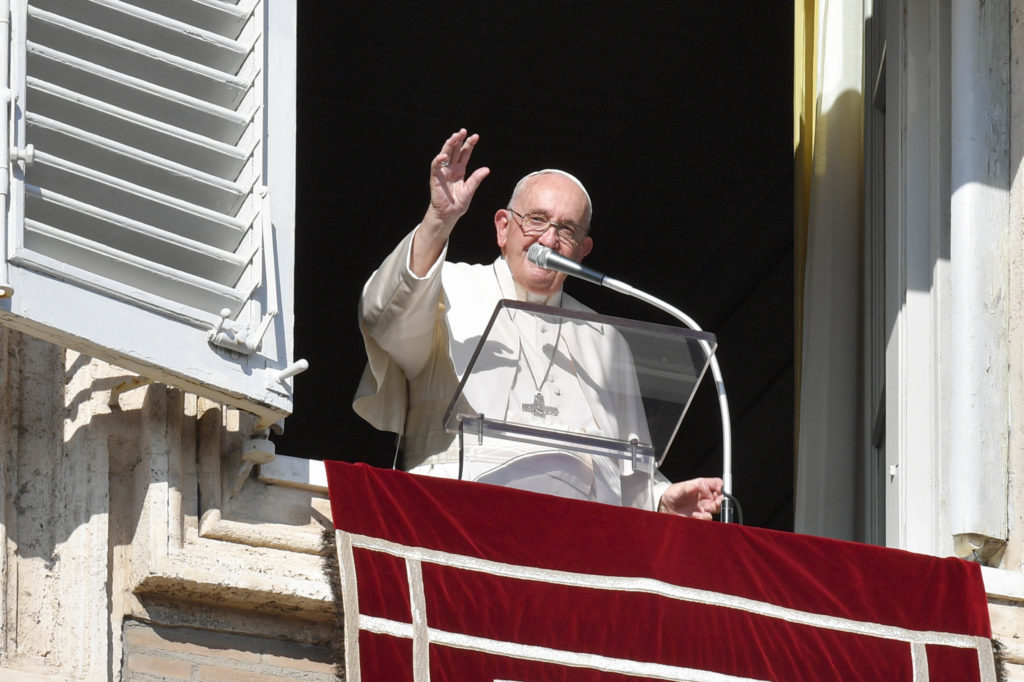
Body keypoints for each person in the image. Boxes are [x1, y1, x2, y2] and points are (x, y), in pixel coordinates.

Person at [354, 129, 723, 519]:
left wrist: (661, 499)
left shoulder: (604, 338)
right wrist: (437, 221)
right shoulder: (448, 287)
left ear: (583, 251)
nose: (548, 240)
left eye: (567, 230)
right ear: (503, 227)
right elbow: (383, 319)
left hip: (579, 537)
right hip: (458, 515)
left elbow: (625, 469)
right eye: (536, 220)